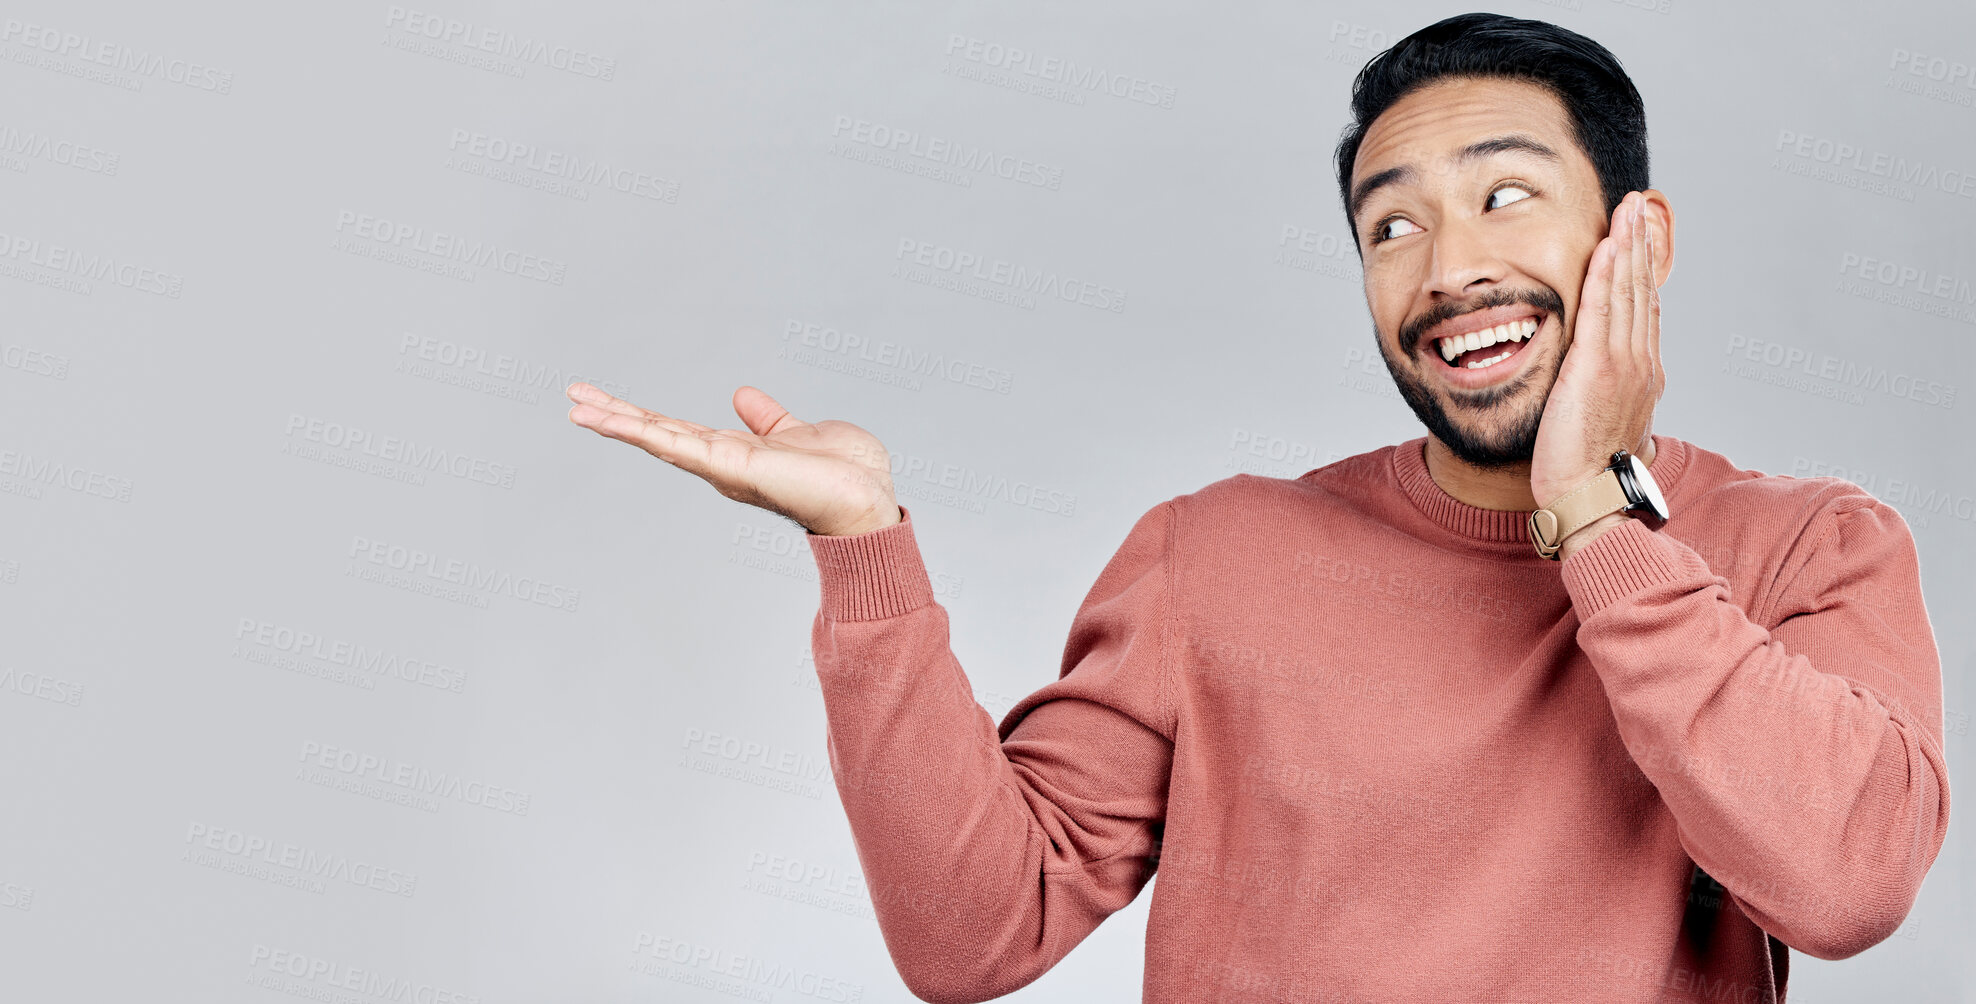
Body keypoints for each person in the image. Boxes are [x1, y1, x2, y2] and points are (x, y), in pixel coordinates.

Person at [565, 13, 1949, 1003]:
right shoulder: (1211, 558)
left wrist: (1593, 513)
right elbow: (973, 934)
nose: (1450, 268)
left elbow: (1847, 886)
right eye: (1391, 227)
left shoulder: (1808, 546)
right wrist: (864, 549)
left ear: (1636, 236)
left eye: (1506, 198)